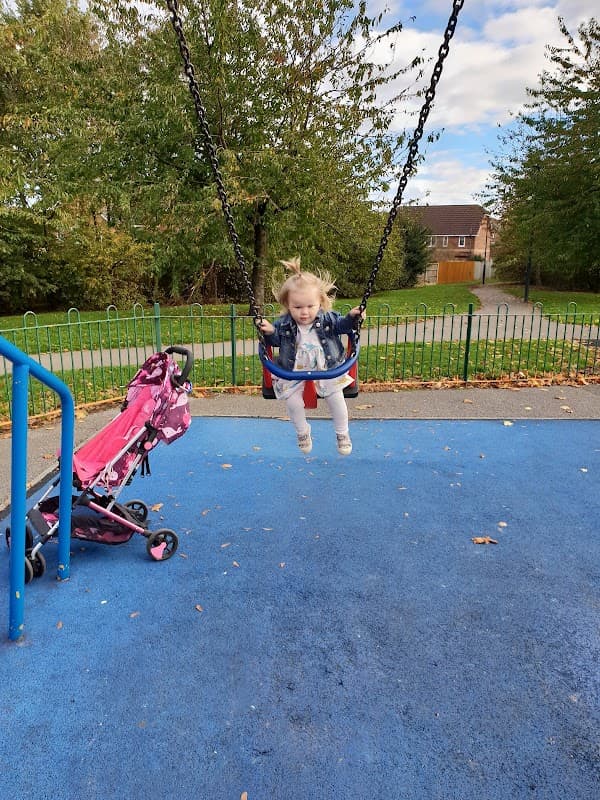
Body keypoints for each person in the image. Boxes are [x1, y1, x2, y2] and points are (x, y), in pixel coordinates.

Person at [257, 257, 364, 456]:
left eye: (310, 306)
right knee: (293, 403)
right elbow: (275, 341)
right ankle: (303, 432)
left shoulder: (327, 318)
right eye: (297, 307)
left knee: (336, 399)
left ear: (320, 302)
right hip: (293, 372)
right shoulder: (284, 324)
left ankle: (343, 434)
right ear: (288, 305)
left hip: (327, 369)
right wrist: (270, 331)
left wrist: (352, 317)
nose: (304, 312)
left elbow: (342, 326)